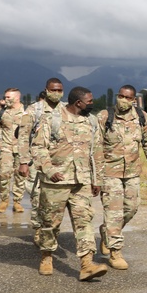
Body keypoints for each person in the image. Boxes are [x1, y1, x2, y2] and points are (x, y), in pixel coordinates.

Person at [31, 86, 106, 280]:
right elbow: (38, 148)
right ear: (78, 103)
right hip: (56, 181)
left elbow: (97, 152)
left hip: (81, 182)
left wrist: (97, 180)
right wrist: (50, 170)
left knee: (84, 221)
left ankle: (87, 264)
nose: (92, 104)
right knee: (50, 223)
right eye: (89, 101)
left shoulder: (92, 121)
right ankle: (46, 256)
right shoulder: (52, 119)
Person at [97, 85, 147, 270]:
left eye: (128, 98)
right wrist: (97, 175)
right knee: (113, 212)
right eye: (121, 96)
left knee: (131, 208)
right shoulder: (104, 116)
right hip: (109, 173)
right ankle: (115, 252)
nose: (123, 100)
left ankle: (107, 232)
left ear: (134, 100)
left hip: (132, 171)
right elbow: (96, 147)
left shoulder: (141, 117)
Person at [18, 79, 66, 229]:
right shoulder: (34, 110)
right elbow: (23, 136)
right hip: (37, 160)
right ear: (46, 90)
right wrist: (23, 162)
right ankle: (39, 228)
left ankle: (50, 227)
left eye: (59, 90)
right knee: (38, 196)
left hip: (58, 161)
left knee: (55, 199)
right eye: (53, 90)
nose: (56, 93)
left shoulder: (66, 110)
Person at [0, 88, 27, 214]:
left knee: (20, 176)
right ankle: (4, 200)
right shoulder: (2, 113)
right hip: (6, 148)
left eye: (8, 97)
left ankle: (17, 201)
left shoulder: (27, 113)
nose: (6, 99)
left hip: (22, 149)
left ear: (17, 98)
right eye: (5, 97)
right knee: (4, 174)